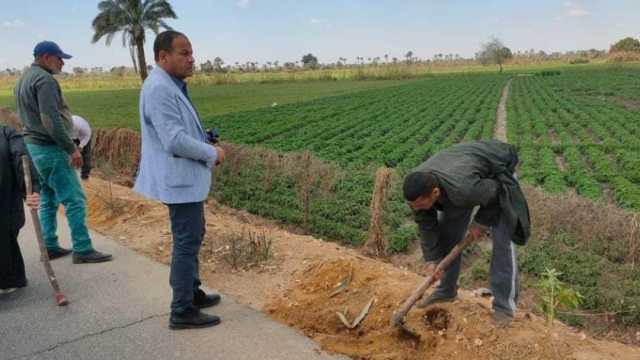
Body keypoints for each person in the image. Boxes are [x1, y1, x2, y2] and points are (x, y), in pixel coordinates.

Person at [133, 31, 226, 330]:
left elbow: (179, 130)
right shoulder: (160, 88)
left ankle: (192, 293)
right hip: (178, 179)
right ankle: (182, 309)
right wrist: (211, 152)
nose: (191, 58)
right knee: (187, 241)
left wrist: (203, 138)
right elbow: (173, 140)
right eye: (183, 53)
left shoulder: (170, 84)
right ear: (163, 57)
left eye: (191, 52)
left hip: (182, 178)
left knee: (193, 234)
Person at [403, 140, 530, 325]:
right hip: (465, 176)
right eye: (413, 206)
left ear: (435, 193)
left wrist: (480, 222)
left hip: (497, 178)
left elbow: (495, 194)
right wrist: (432, 260)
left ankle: (504, 307)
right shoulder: (417, 190)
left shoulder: (463, 190)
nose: (417, 208)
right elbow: (426, 225)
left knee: (503, 243)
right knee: (448, 233)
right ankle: (446, 291)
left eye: (421, 205)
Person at [14, 41, 112, 264]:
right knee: (75, 199)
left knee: (48, 197)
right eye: (60, 59)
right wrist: (71, 148)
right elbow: (50, 119)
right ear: (47, 57)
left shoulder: (24, 79)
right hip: (51, 148)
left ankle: (49, 245)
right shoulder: (45, 80)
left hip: (34, 148)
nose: (62, 64)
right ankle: (83, 248)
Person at [0, 125, 40, 294]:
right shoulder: (6, 133)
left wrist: (30, 191)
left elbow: (20, 159)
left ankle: (9, 280)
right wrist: (29, 190)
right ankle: (8, 281)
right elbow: (21, 159)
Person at [71, 114, 92, 180]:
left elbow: (87, 137)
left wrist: (80, 147)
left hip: (83, 137)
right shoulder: (64, 124)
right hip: (70, 137)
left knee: (86, 155)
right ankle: (70, 173)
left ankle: (85, 176)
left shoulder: (84, 127)